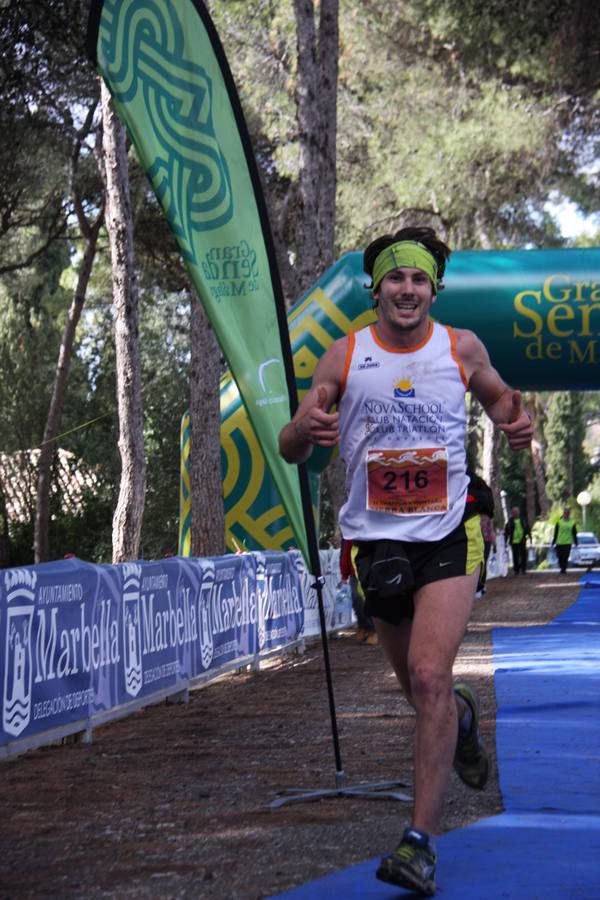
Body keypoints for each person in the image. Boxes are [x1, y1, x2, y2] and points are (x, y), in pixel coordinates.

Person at [279, 225, 532, 896]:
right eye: (396, 278)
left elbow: (503, 399)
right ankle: (464, 718)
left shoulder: (461, 347)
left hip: (450, 534)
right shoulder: (345, 354)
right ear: (377, 287)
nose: (408, 290)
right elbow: (290, 443)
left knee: (427, 678)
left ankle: (420, 843)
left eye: (420, 280)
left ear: (434, 289)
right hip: (378, 544)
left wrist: (515, 418)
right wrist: (307, 429)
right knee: (423, 692)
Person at [504, 506, 531, 575]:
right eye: (514, 512)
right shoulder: (510, 521)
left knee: (523, 555)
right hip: (514, 541)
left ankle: (523, 569)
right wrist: (506, 541)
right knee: (515, 556)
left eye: (516, 512)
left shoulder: (523, 520)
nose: (515, 513)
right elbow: (506, 532)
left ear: (519, 512)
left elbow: (527, 529)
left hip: (522, 540)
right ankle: (516, 570)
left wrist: (530, 537)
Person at [552, 506, 578, 574]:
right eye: (565, 513)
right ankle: (561, 568)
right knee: (560, 557)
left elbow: (574, 533)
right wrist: (553, 542)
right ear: (563, 514)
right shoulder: (559, 522)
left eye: (567, 513)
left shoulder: (572, 522)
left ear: (569, 514)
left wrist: (576, 542)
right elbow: (556, 532)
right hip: (559, 542)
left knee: (565, 557)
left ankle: (563, 569)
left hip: (567, 542)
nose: (566, 514)